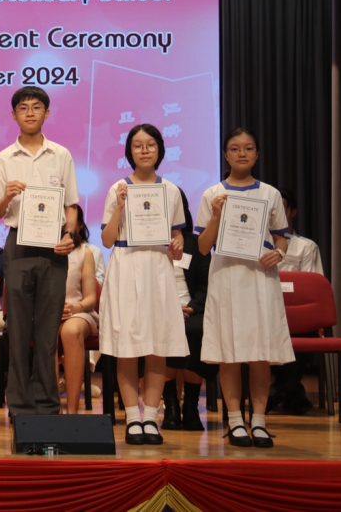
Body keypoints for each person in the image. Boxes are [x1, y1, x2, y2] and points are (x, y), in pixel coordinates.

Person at [0, 86, 78, 417]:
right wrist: (7, 197)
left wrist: (69, 235)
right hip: (18, 245)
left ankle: (48, 406)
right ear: (14, 115)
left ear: (47, 113)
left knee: (48, 331)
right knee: (19, 330)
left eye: (37, 107)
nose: (30, 113)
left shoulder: (61, 155)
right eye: (23, 108)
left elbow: (71, 205)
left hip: (53, 247)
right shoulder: (4, 158)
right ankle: (21, 406)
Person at [197, 128, 294, 448]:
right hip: (226, 277)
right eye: (235, 148)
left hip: (260, 278)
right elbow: (203, 247)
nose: (242, 153)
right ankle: (236, 420)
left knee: (259, 353)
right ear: (226, 155)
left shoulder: (270, 194)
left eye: (248, 148)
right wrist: (216, 215)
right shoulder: (213, 194)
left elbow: (281, 238)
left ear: (256, 154)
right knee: (230, 352)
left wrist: (279, 253)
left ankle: (260, 421)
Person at [99, 124, 188, 445]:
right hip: (125, 267)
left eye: (150, 144)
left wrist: (177, 245)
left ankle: (150, 417)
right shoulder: (117, 188)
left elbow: (177, 236)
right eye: (138, 145)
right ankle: (132, 418)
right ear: (130, 152)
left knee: (156, 345)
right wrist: (120, 206)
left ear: (160, 149)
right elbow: (107, 239)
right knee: (126, 347)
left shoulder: (171, 190)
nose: (145, 150)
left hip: (158, 270)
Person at [162, 190, 216, 431]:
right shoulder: (149, 245)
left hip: (191, 309)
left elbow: (206, 285)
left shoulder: (196, 244)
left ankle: (191, 406)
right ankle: (171, 406)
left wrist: (192, 308)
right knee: (164, 332)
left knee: (196, 331)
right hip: (160, 310)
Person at [268, 188, 322, 415]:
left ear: (292, 212)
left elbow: (311, 288)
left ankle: (280, 390)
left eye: (282, 208)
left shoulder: (305, 246)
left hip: (297, 317)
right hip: (267, 314)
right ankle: (291, 392)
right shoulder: (257, 244)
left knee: (302, 329)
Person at [59, 212, 98, 414]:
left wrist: (76, 307)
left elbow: (91, 298)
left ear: (79, 224)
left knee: (72, 331)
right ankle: (52, 409)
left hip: (78, 311)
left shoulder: (85, 252)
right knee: (46, 330)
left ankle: (72, 411)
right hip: (48, 312)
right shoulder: (40, 251)